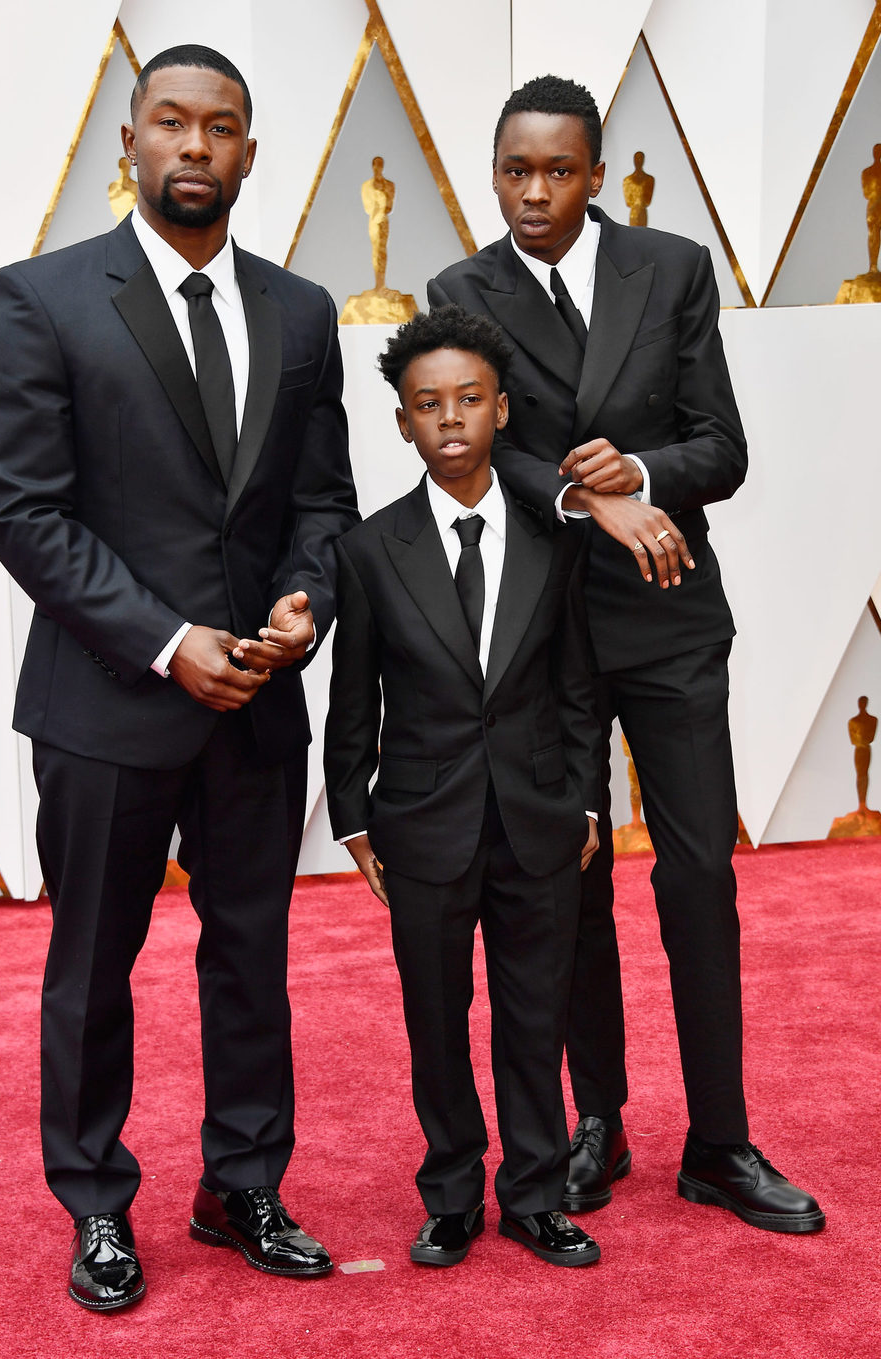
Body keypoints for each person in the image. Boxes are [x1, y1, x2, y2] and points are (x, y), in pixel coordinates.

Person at [0, 45, 359, 1310]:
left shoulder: (303, 314)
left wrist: (308, 605)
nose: (196, 146)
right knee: (93, 963)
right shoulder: (43, 298)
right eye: (172, 124)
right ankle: (95, 1204)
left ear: (251, 152)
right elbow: (24, 513)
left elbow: (323, 501)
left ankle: (243, 1180)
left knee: (251, 955)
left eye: (222, 128)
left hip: (257, 702)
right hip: (105, 701)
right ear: (128, 145)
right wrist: (161, 640)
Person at [428, 75, 824, 1234]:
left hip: (669, 615)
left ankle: (722, 1141)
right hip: (545, 628)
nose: (534, 192)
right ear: (492, 172)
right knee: (570, 878)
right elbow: (479, 458)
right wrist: (584, 500)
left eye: (558, 170)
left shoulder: (675, 269)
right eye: (515, 170)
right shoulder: (465, 289)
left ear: (599, 174)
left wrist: (642, 478)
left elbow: (724, 448)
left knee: (700, 869)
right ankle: (597, 1120)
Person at [324, 305, 603, 1269]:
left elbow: (577, 688)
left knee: (535, 1014)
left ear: (503, 410)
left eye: (470, 400)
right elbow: (352, 699)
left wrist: (589, 804)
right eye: (428, 404)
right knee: (436, 1020)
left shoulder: (554, 541)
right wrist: (353, 820)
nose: (451, 419)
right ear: (402, 422)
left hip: (537, 826)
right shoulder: (368, 551)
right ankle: (451, 1192)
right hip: (421, 826)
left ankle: (532, 1193)